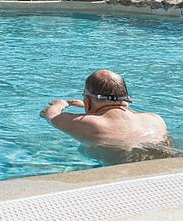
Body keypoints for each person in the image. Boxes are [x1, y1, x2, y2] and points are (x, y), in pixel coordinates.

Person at [40, 69, 175, 163]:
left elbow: (50, 115)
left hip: (125, 179)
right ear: (127, 99)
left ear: (87, 100)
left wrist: (60, 104)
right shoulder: (155, 119)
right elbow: (122, 114)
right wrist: (88, 105)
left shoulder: (91, 124)